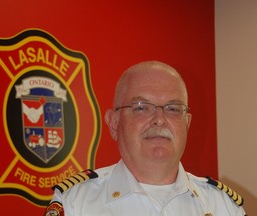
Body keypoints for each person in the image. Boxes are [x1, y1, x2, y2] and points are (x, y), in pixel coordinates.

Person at [45, 61, 246, 216]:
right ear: (114, 123)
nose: (160, 120)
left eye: (173, 109)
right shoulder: (75, 203)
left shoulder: (223, 206)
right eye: (141, 107)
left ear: (187, 123)